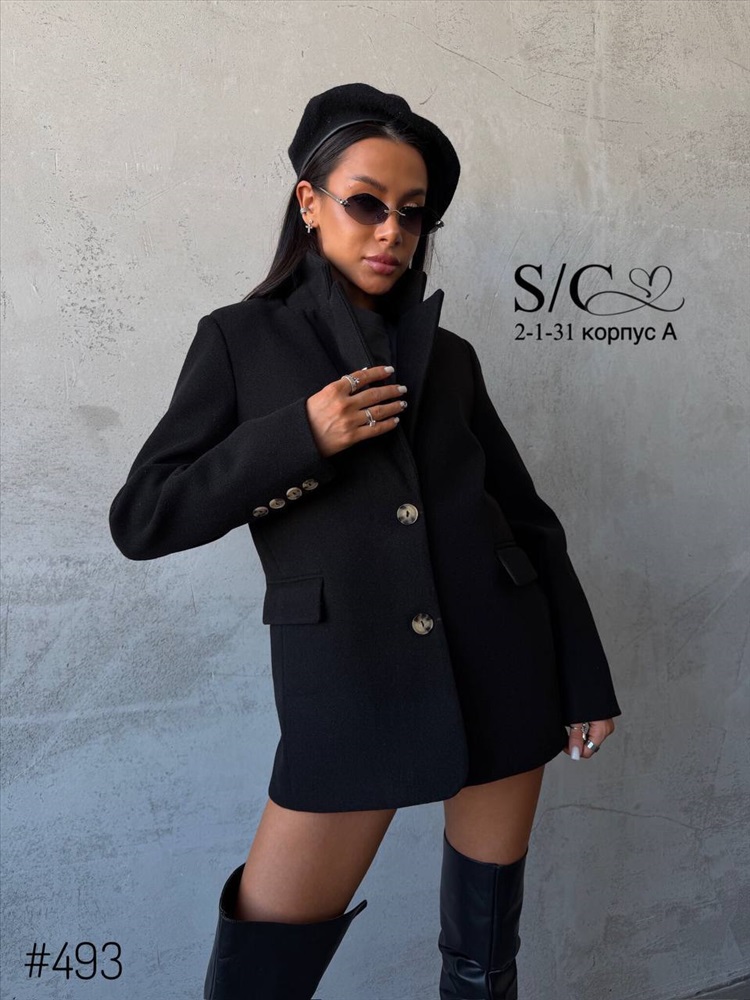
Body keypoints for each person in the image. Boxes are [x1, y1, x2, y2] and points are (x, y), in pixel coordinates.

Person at [109, 83, 622, 1000]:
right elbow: (144, 517)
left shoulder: (450, 357)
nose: (392, 231)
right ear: (310, 202)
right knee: (261, 974)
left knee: (483, 961)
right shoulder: (237, 341)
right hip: (347, 685)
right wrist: (299, 436)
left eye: (412, 213)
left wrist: (584, 677)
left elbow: (529, 522)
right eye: (366, 203)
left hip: (502, 666)